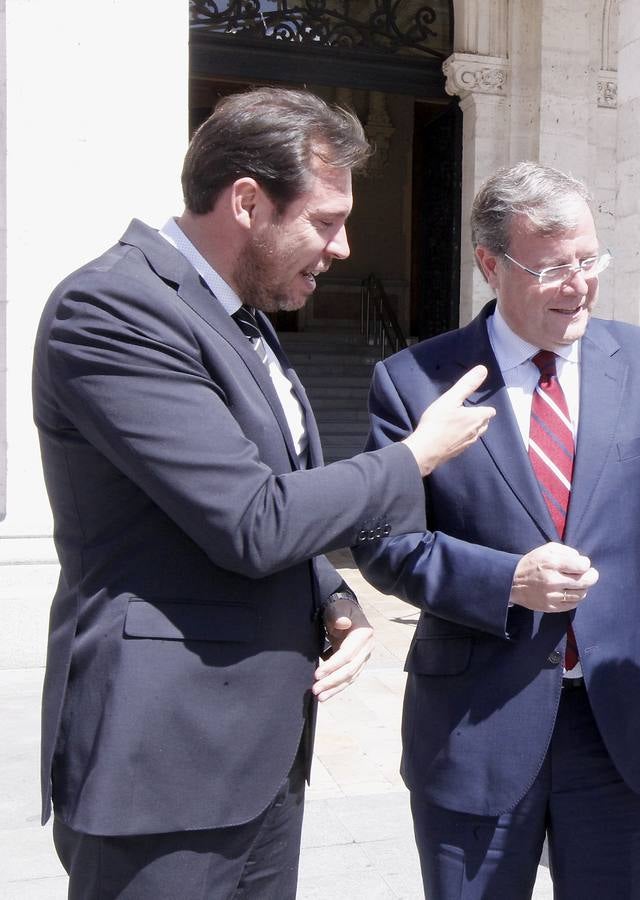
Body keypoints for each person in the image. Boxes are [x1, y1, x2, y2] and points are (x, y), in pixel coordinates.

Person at [33, 87, 494, 899]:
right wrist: (416, 456)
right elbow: (251, 521)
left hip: (261, 756)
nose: (343, 247)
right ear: (246, 201)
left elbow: (253, 494)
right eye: (324, 221)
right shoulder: (112, 308)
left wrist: (327, 591)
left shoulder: (241, 317)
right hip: (161, 761)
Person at [353, 161, 640, 898]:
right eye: (554, 268)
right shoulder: (415, 382)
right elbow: (384, 543)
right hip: (475, 725)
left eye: (590, 260)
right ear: (491, 265)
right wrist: (507, 583)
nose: (580, 284)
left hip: (622, 724)